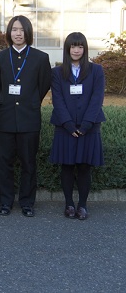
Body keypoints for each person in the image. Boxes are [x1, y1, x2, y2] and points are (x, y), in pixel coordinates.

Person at [0, 16, 51, 217]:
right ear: (9, 32)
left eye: (22, 30)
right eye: (14, 29)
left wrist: (31, 101)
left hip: (29, 117)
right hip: (6, 116)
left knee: (28, 162)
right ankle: (5, 202)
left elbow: (42, 86)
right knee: (4, 162)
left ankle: (27, 202)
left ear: (28, 32)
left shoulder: (40, 58)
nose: (18, 33)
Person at [50, 32, 105, 220]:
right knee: (66, 166)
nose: (76, 50)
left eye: (80, 46)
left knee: (84, 167)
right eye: (73, 46)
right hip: (65, 127)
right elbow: (57, 100)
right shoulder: (57, 72)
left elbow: (97, 99)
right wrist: (68, 124)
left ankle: (82, 205)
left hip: (89, 127)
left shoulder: (96, 70)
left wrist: (86, 124)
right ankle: (69, 204)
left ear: (85, 49)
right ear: (67, 49)